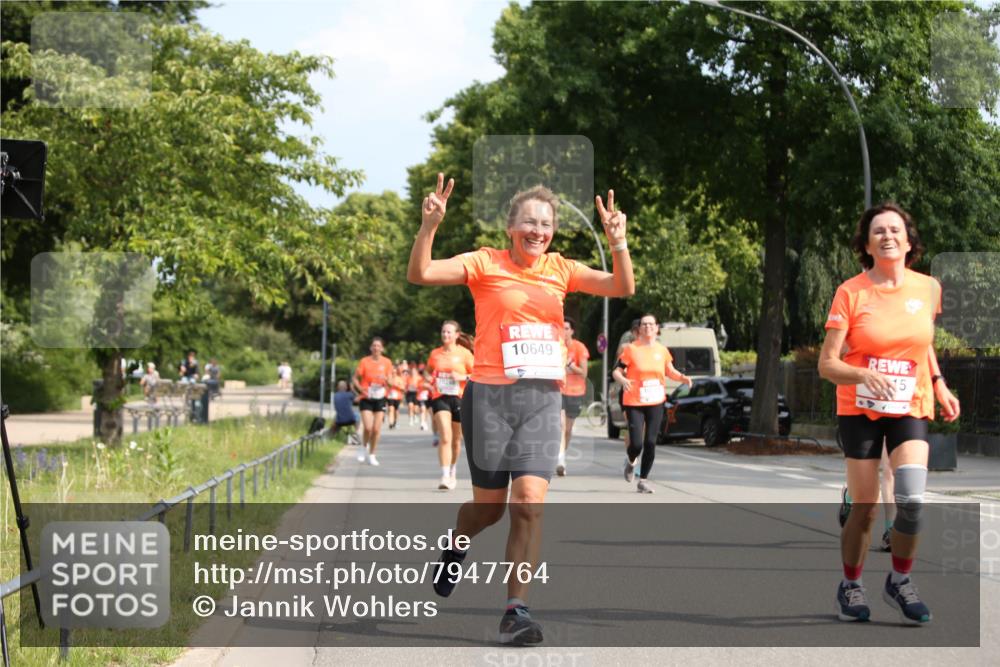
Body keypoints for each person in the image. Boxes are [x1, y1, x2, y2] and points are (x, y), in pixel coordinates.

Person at [407, 174, 634, 645]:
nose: (538, 230)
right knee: (488, 512)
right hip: (488, 398)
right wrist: (428, 227)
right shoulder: (483, 262)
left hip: (541, 401)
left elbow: (621, 286)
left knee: (528, 504)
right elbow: (421, 274)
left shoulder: (561, 269)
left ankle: (516, 609)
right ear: (511, 226)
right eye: (529, 221)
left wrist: (618, 243)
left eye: (546, 223)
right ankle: (456, 544)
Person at [818, 202, 960, 625]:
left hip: (910, 405)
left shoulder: (928, 288)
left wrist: (937, 382)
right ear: (866, 243)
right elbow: (828, 363)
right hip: (859, 407)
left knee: (912, 500)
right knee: (864, 508)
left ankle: (899, 580)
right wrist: (862, 374)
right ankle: (851, 583)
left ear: (909, 239)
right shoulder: (851, 292)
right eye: (878, 231)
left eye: (895, 229)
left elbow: (922, 343)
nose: (887, 236)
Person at [612, 314, 692, 493]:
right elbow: (617, 371)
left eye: (651, 324)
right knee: (637, 444)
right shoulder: (631, 349)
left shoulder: (662, 350)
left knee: (650, 442)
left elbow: (669, 371)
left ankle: (644, 480)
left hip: (656, 400)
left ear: (657, 328)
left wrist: (682, 378)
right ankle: (631, 461)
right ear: (639, 329)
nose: (647, 327)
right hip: (634, 401)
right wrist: (623, 380)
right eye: (644, 324)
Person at [425, 320, 475, 490]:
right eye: (443, 332)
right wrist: (429, 381)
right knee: (445, 436)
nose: (445, 335)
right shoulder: (435, 354)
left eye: (449, 332)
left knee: (456, 440)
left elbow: (477, 374)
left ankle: (453, 469)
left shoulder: (465, 354)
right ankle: (445, 475)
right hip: (440, 397)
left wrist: (462, 378)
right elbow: (427, 371)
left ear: (456, 335)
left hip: (460, 398)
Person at [351, 338, 394, 466]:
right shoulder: (364, 361)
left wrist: (386, 379)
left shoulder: (387, 362)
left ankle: (372, 454)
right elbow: (355, 379)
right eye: (374, 346)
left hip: (380, 398)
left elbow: (391, 383)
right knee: (368, 427)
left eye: (378, 346)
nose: (376, 348)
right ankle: (363, 448)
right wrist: (361, 390)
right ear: (371, 348)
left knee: (376, 429)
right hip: (367, 398)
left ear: (382, 349)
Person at [557, 317, 589, 477]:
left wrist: (571, 366)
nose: (563, 331)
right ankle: (560, 459)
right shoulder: (556, 346)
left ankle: (563, 453)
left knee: (568, 429)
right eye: (561, 328)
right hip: (558, 389)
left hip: (576, 391)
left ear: (572, 331)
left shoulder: (579, 347)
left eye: (567, 328)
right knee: (561, 426)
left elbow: (584, 373)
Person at [331, 380, 360, 445]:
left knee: (336, 416)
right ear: (346, 388)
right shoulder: (349, 394)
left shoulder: (335, 395)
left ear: (337, 387)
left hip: (339, 422)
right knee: (358, 415)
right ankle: (355, 432)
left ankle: (332, 436)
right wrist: (353, 390)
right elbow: (359, 399)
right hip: (351, 420)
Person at [386, 365, 405, 430]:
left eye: (394, 372)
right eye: (392, 372)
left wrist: (396, 386)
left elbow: (403, 388)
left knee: (396, 410)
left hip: (397, 397)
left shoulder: (399, 379)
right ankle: (390, 423)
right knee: (391, 409)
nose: (393, 373)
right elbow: (385, 387)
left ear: (396, 372)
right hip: (390, 396)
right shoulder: (388, 378)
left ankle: (395, 421)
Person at [404, 361, 419, 426]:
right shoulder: (408, 378)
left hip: (416, 393)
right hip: (409, 393)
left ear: (416, 372)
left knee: (415, 408)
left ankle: (415, 415)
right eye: (412, 372)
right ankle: (410, 419)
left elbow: (422, 385)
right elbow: (405, 385)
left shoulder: (419, 378)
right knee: (410, 406)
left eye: (414, 372)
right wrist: (405, 389)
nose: (413, 373)